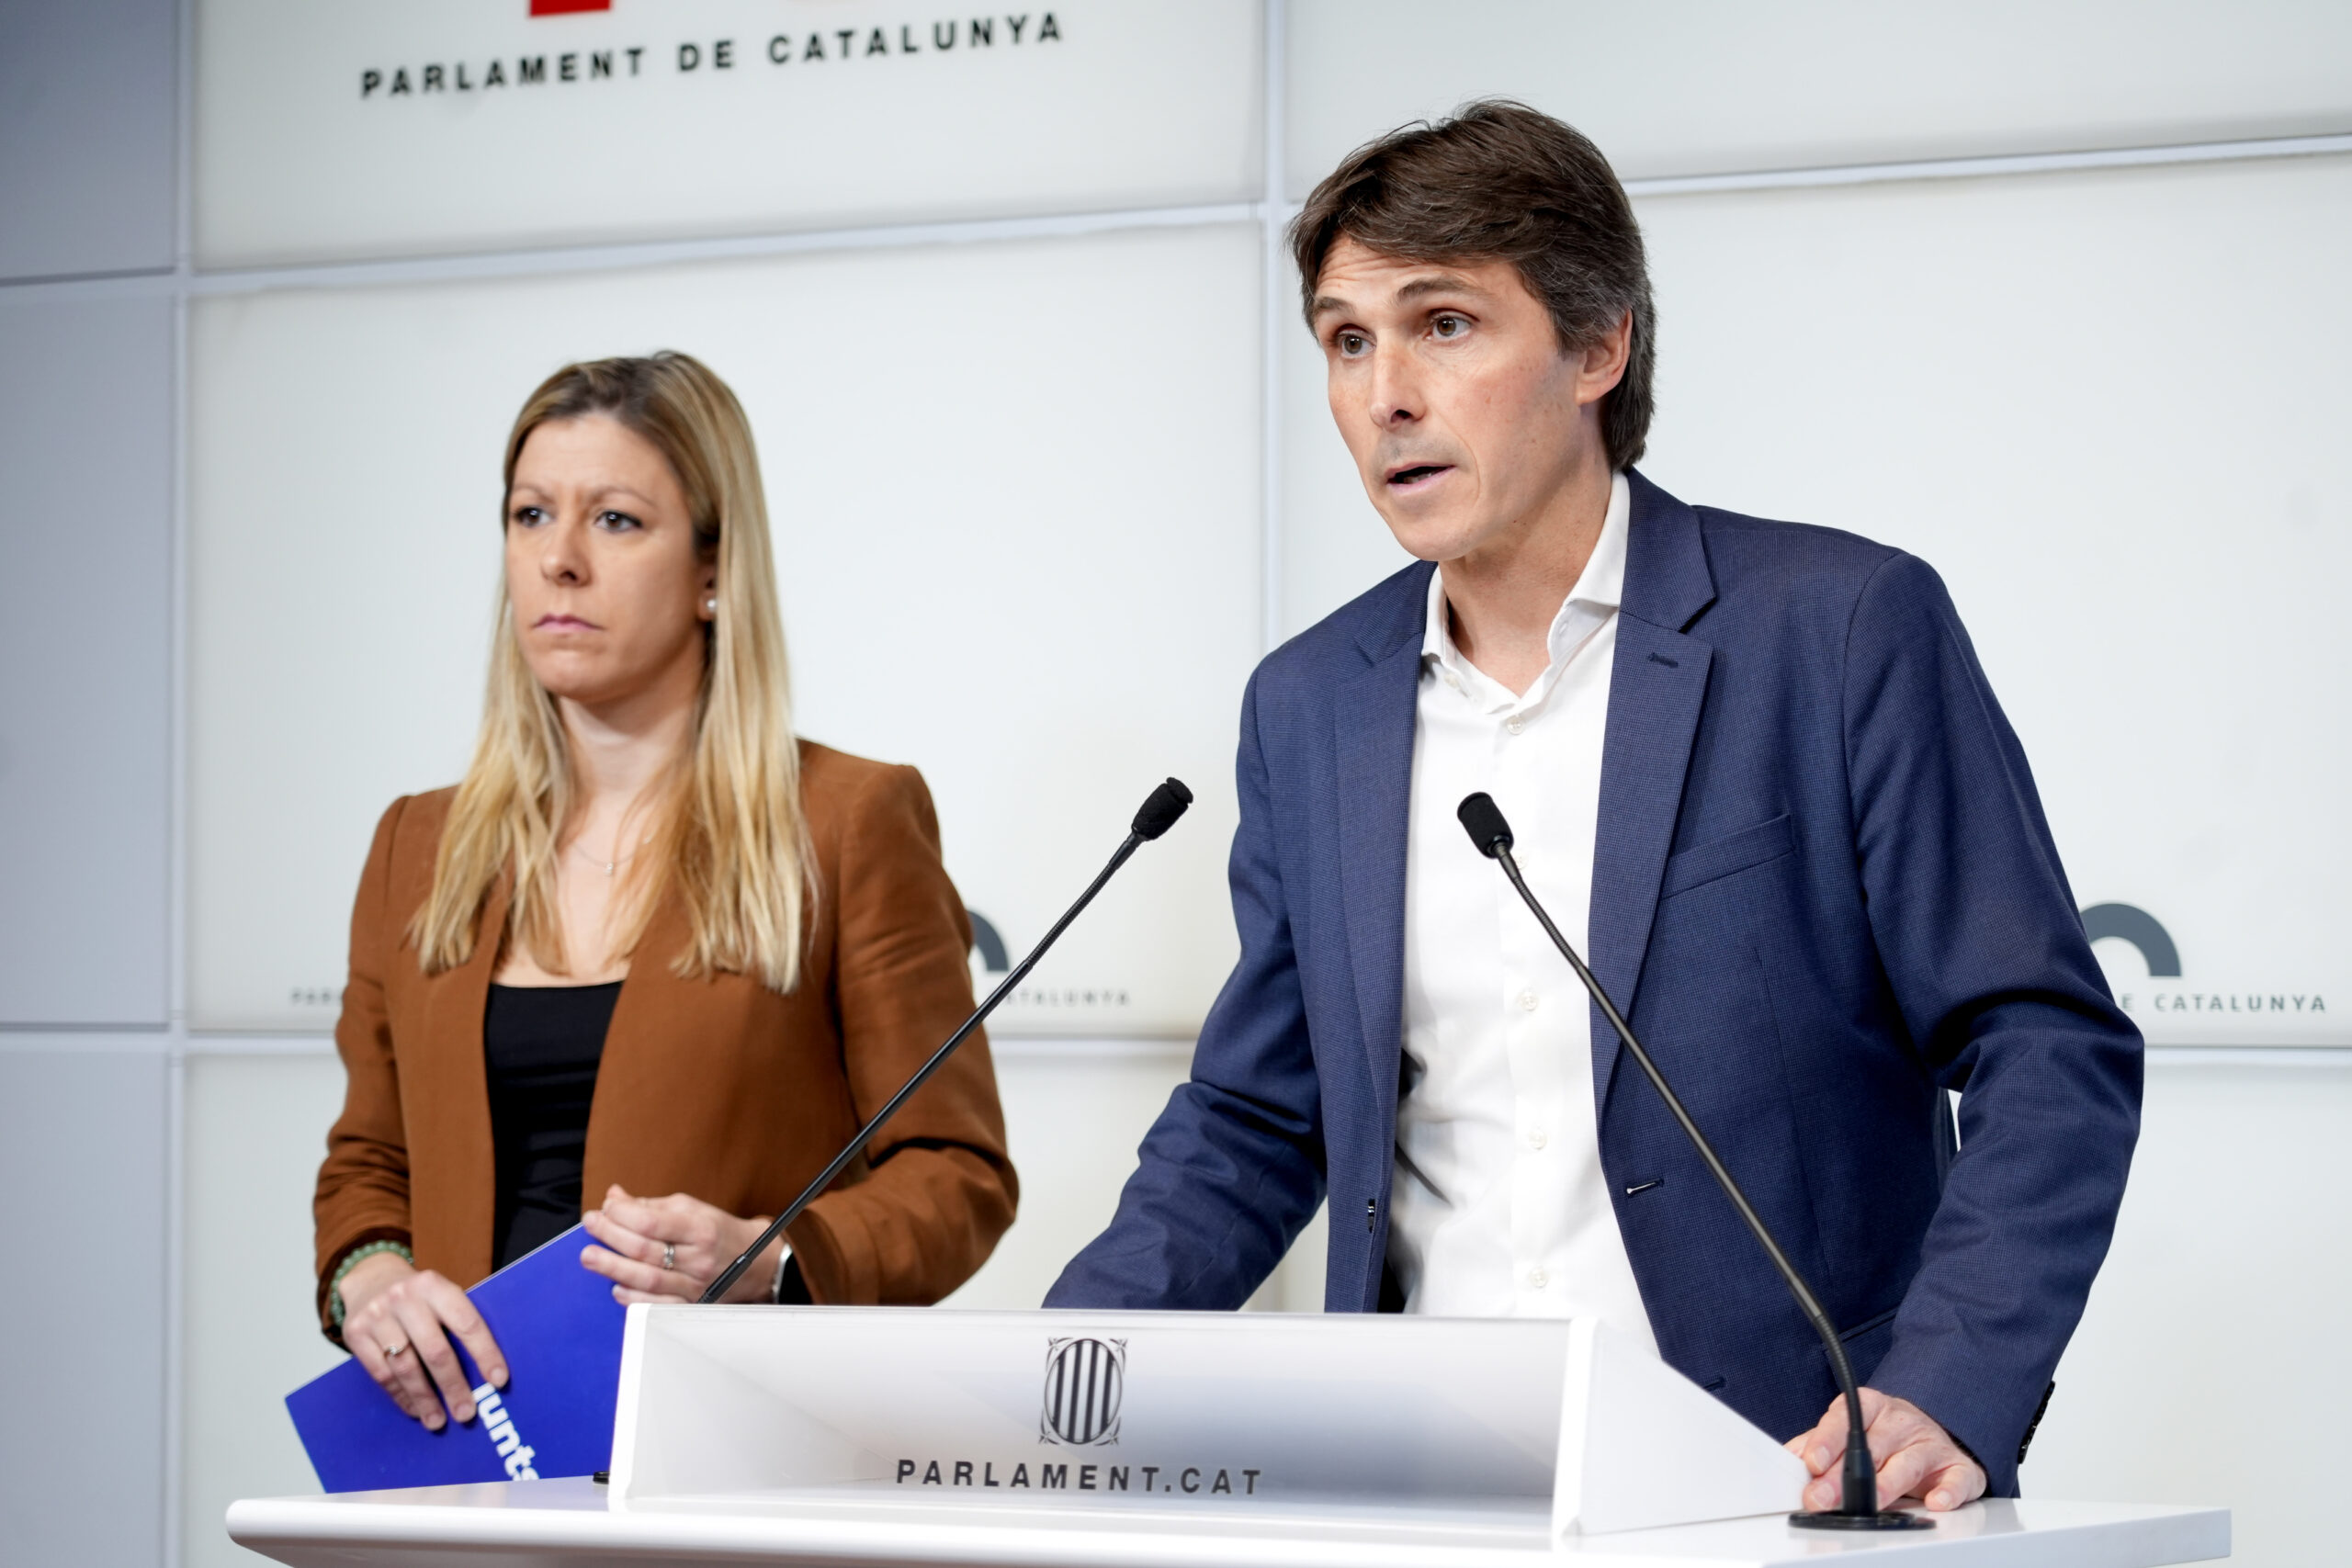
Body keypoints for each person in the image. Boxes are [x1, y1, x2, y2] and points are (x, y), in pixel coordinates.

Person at [1047, 102, 2139, 1516]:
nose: (1385, 396)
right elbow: (1261, 1116)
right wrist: (1055, 1378)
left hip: (1787, 1479)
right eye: (1347, 340)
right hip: (1422, 1488)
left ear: (1598, 347)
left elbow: (2045, 1045)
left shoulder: (1837, 627)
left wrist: (1946, 1378)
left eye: (1443, 324)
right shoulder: (1310, 703)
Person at [314, 352, 1016, 1433]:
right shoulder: (418, 843)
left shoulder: (847, 820)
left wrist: (775, 1258)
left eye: (616, 521)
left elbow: (955, 1173)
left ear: (712, 572)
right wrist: (372, 1279)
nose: (558, 560)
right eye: (531, 514)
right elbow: (369, 1161)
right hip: (462, 1460)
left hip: (726, 1448)